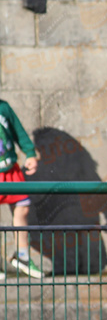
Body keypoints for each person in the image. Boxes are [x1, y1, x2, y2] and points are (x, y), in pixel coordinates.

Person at [0, 98, 43, 278]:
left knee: (23, 206)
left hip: (9, 168)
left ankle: (22, 256)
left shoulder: (3, 107)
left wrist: (30, 153)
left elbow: (18, 132)